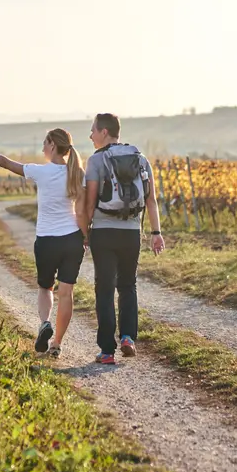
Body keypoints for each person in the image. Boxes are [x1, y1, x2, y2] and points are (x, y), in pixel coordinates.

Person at [0, 129, 88, 357]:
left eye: (44, 143)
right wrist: (85, 236)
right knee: (66, 293)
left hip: (46, 240)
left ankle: (44, 323)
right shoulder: (78, 174)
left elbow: (6, 163)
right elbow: (81, 211)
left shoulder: (40, 172)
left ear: (52, 145)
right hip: (72, 239)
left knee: (45, 287)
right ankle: (57, 344)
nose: (42, 148)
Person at [83, 113, 164, 365]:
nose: (91, 135)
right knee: (128, 285)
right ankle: (128, 337)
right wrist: (156, 233)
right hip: (131, 233)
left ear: (104, 132)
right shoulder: (141, 159)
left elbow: (90, 200)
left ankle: (107, 351)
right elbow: (151, 200)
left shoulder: (96, 160)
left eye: (93, 130)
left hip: (104, 232)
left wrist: (84, 232)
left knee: (105, 289)